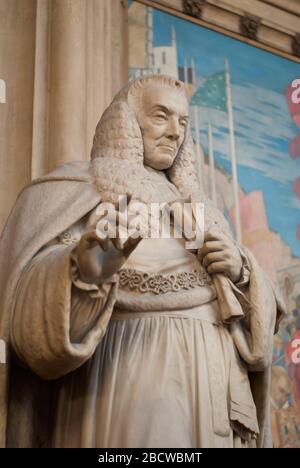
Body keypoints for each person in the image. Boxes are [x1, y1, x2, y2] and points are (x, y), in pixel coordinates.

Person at [0, 75, 284, 448]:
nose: (174, 133)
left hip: (213, 381)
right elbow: (23, 299)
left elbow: (260, 317)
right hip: (126, 372)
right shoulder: (79, 190)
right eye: (160, 117)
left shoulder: (200, 209)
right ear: (127, 123)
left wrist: (241, 270)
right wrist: (83, 270)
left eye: (182, 122)